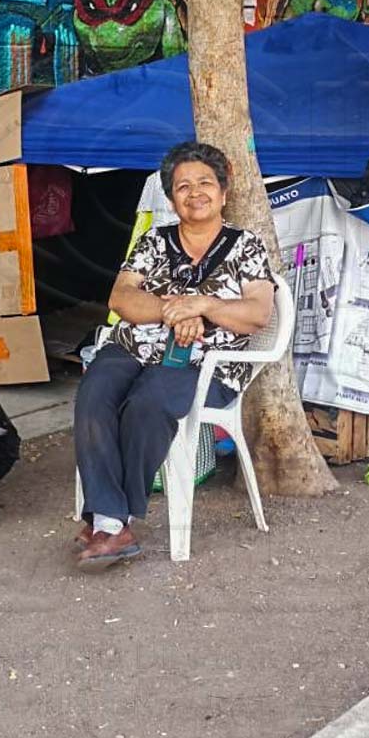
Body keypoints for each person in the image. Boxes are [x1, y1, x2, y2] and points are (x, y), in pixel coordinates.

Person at [73, 142, 275, 571]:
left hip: (206, 363)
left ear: (223, 192)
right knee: (94, 393)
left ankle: (111, 521)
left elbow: (257, 313)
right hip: (134, 347)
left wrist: (205, 306)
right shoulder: (154, 241)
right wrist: (176, 311)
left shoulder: (245, 246)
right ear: (170, 198)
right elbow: (122, 298)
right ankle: (111, 521)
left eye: (205, 183)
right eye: (183, 186)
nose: (194, 193)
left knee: (148, 403)